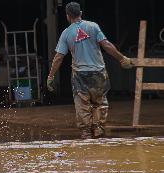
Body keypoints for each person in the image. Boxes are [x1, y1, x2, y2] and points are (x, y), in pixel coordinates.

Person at [47, 2, 134, 139]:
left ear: (68, 16)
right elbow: (106, 45)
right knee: (100, 102)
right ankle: (98, 127)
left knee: (82, 104)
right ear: (80, 13)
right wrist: (122, 58)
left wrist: (51, 77)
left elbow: (58, 57)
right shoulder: (93, 26)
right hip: (98, 72)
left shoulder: (66, 33)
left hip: (79, 75)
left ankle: (86, 132)